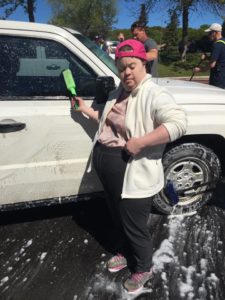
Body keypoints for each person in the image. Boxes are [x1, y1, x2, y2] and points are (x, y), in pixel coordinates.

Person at [72, 39, 187, 294]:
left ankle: (144, 268)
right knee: (117, 216)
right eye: (122, 67)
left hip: (132, 171)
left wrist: (142, 142)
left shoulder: (153, 93)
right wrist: (85, 110)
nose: (126, 72)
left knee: (134, 225)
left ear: (144, 63)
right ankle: (125, 251)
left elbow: (179, 123)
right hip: (109, 168)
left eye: (132, 66)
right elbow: (107, 119)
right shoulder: (119, 91)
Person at [193, 23, 225, 89]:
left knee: (215, 96)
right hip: (223, 75)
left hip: (217, 77)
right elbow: (220, 57)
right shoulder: (223, 42)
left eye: (209, 33)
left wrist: (199, 69)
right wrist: (207, 57)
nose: (208, 35)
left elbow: (212, 64)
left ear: (214, 33)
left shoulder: (217, 45)